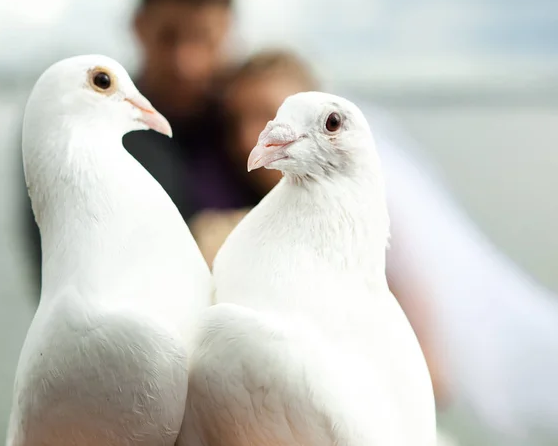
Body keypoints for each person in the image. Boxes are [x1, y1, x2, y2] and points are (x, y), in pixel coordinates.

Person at [189, 48, 450, 409]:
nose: (248, 135)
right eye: (236, 120)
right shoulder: (229, 194)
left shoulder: (369, 223)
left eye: (267, 113)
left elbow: (433, 376)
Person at [20, 0, 255, 297]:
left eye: (203, 38)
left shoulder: (245, 120)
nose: (185, 61)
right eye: (168, 36)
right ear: (138, 27)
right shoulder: (79, 126)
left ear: (227, 31)